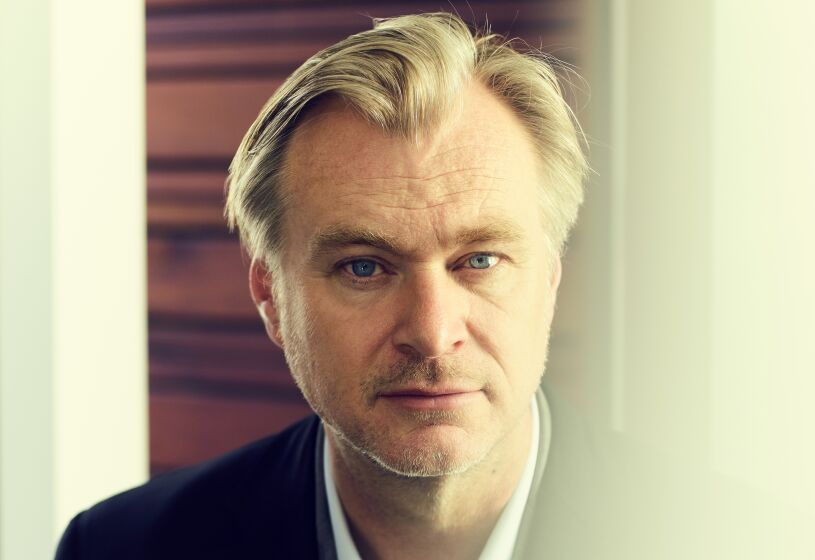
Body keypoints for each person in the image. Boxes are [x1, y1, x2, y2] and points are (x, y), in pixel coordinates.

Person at [56, 12, 588, 560]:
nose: (433, 332)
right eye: (363, 267)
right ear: (271, 298)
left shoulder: (680, 527)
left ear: (549, 281)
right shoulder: (120, 548)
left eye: (480, 260)